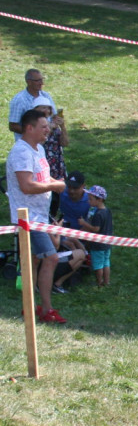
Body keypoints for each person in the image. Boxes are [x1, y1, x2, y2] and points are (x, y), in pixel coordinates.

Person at [7, 109, 67, 323]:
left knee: (33, 261)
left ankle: (31, 307)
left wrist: (55, 182)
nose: (48, 130)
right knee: (50, 258)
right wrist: (54, 185)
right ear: (29, 128)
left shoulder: (38, 149)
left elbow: (43, 176)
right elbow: (26, 185)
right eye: (43, 127)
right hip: (28, 218)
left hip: (40, 215)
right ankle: (47, 309)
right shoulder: (21, 152)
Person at [78, 185, 112, 287]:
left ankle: (99, 282)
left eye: (91, 199)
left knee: (98, 264)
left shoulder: (98, 214)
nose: (89, 201)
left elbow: (95, 229)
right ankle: (107, 281)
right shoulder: (107, 211)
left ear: (100, 199)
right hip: (107, 242)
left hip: (97, 244)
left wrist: (84, 223)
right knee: (106, 262)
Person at [9, 69, 57, 141]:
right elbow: (13, 126)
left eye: (42, 79)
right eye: (38, 80)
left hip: (49, 142)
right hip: (28, 144)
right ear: (29, 82)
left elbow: (54, 116)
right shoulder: (19, 99)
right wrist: (34, 133)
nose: (42, 83)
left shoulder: (46, 95)